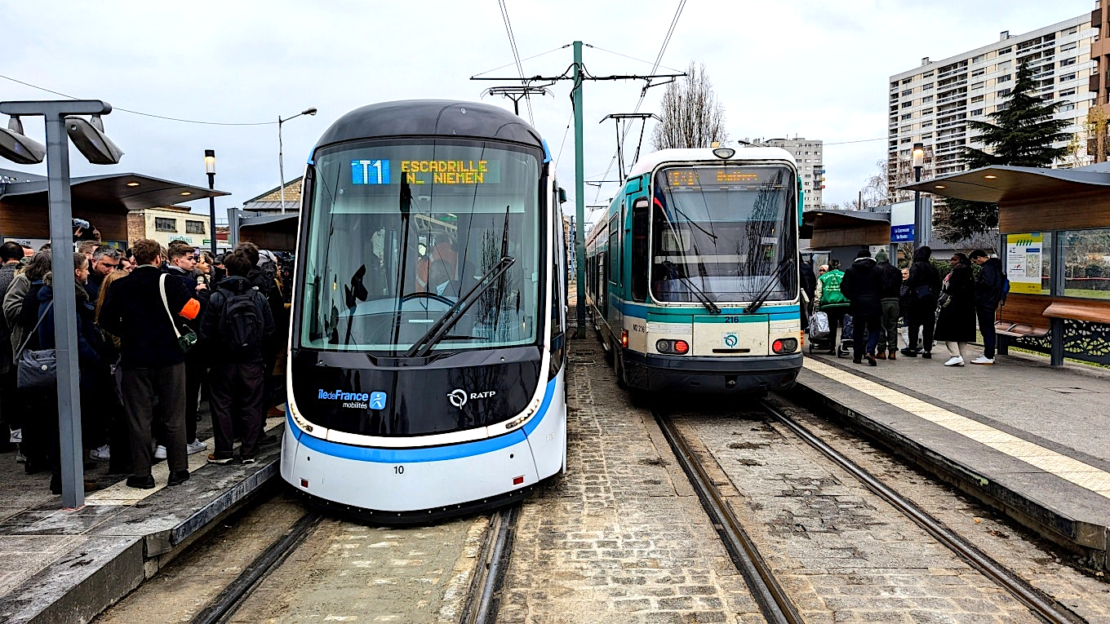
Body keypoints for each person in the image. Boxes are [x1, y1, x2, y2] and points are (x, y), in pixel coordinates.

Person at [98, 238, 201, 489]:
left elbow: (106, 319)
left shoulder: (120, 286)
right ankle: (178, 470)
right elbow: (193, 312)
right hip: (170, 357)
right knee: (174, 415)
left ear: (134, 258)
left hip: (136, 359)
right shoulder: (173, 283)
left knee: (139, 418)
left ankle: (142, 474)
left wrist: (130, 333)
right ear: (158, 258)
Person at [33, 253, 105, 493]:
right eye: (85, 269)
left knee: (63, 424)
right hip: (72, 371)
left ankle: (66, 477)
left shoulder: (51, 296)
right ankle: (66, 479)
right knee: (68, 425)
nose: (87, 273)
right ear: (76, 272)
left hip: (65, 369)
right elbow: (75, 339)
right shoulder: (65, 299)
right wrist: (96, 360)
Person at [199, 251, 275, 464]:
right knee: (252, 404)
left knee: (222, 405)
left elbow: (206, 333)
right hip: (252, 361)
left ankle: (223, 452)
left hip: (222, 362)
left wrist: (210, 359)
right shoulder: (259, 297)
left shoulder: (216, 297)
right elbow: (270, 330)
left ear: (227, 270)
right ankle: (249, 451)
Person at [0, 241, 25, 447]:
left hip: (1, 340)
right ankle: (17, 433)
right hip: (17, 341)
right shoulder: (23, 279)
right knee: (15, 388)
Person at [840, 250, 883, 365]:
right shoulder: (878, 270)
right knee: (874, 329)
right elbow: (884, 286)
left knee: (858, 330)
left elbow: (844, 287)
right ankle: (870, 351)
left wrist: (852, 297)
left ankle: (857, 356)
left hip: (857, 304)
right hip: (874, 303)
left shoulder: (850, 270)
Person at [934, 253, 976, 367]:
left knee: (948, 331)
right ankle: (961, 356)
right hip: (967, 308)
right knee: (962, 333)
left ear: (960, 261)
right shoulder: (969, 272)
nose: (951, 261)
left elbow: (952, 289)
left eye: (954, 259)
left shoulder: (957, 272)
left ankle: (955, 355)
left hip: (953, 306)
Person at [901, 246, 941, 359]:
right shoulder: (933, 269)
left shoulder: (916, 266)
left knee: (913, 326)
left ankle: (912, 348)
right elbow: (937, 285)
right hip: (930, 302)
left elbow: (911, 282)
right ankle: (927, 350)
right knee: (928, 327)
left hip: (916, 301)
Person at [969, 250, 1004, 365]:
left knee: (986, 328)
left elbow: (987, 283)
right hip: (991, 301)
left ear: (979, 258)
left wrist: (976, 283)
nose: (976, 264)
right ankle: (989, 353)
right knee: (988, 328)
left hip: (986, 301)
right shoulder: (996, 266)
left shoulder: (988, 268)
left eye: (975, 261)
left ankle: (989, 355)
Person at [814, 259, 849, 354]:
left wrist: (817, 304)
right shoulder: (844, 275)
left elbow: (818, 292)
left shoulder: (823, 277)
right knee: (845, 326)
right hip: (843, 304)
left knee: (832, 326)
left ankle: (832, 347)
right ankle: (843, 346)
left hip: (829, 305)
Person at [875, 255, 903, 361]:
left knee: (881, 327)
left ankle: (881, 351)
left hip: (882, 301)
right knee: (893, 327)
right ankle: (892, 352)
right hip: (895, 301)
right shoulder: (896, 271)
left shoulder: (878, 271)